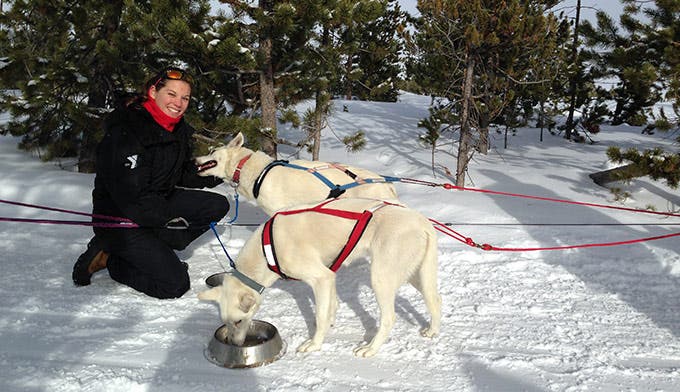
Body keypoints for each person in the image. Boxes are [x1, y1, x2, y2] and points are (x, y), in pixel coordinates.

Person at [72, 66, 229, 299]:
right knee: (174, 285)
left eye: (185, 97)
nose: (179, 103)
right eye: (172, 94)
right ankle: (113, 258)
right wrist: (167, 221)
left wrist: (218, 172)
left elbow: (180, 172)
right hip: (121, 219)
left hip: (155, 204)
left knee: (217, 205)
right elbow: (131, 197)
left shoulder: (176, 128)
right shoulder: (126, 132)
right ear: (153, 92)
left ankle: (154, 246)